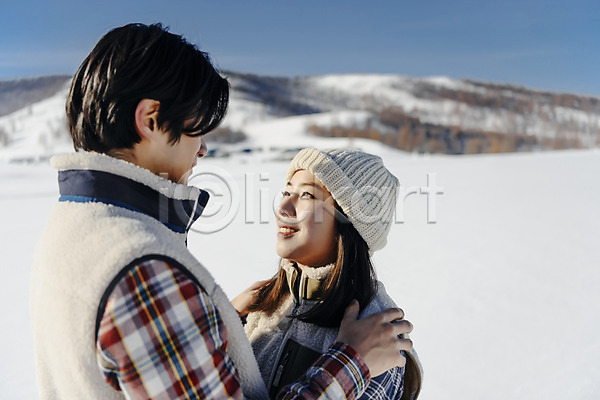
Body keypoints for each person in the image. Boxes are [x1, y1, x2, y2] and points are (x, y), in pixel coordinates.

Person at [30, 23, 414, 399]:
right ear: (150, 120)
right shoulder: (145, 272)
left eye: (308, 196)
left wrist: (212, 325)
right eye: (196, 127)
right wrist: (351, 364)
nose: (202, 148)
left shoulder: (74, 225)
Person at [234, 148, 423, 399]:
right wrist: (225, 322)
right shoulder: (262, 305)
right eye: (287, 193)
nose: (283, 208)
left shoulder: (376, 337)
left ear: (351, 222)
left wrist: (350, 363)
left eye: (307, 195)